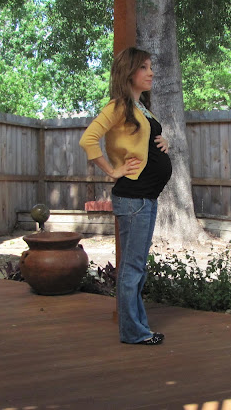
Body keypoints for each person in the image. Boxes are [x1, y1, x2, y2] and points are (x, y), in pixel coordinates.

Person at [79, 47, 172, 345]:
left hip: (145, 197)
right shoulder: (119, 105)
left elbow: (143, 140)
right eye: (144, 67)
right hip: (134, 196)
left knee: (137, 267)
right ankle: (133, 332)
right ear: (128, 72)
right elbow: (88, 139)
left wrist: (163, 141)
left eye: (150, 67)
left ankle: (139, 327)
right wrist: (112, 170)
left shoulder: (140, 107)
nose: (151, 72)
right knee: (132, 268)